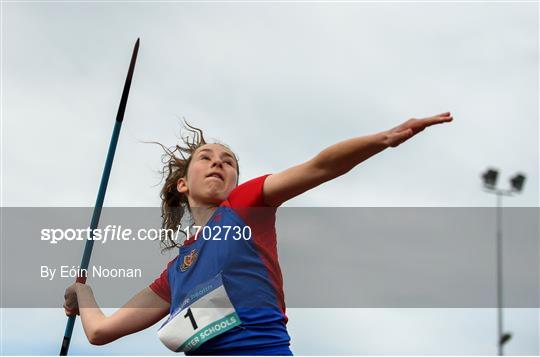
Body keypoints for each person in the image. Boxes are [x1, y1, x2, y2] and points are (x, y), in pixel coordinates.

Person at [63, 112, 453, 355]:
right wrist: (83, 292)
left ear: (235, 180)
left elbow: (319, 166)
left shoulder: (245, 207)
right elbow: (100, 332)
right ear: (183, 185)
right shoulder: (175, 275)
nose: (219, 163)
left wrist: (383, 140)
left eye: (228, 161)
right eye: (207, 158)